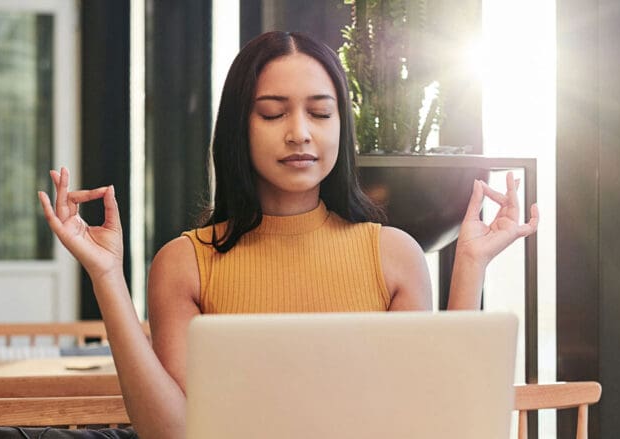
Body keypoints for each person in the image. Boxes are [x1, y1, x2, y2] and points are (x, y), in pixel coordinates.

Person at [38, 31, 538, 439]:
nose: (300, 132)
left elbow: (435, 421)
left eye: (321, 113)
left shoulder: (393, 255)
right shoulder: (186, 263)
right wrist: (106, 276)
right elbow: (172, 433)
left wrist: (470, 266)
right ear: (239, 126)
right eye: (274, 113)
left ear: (342, 126)